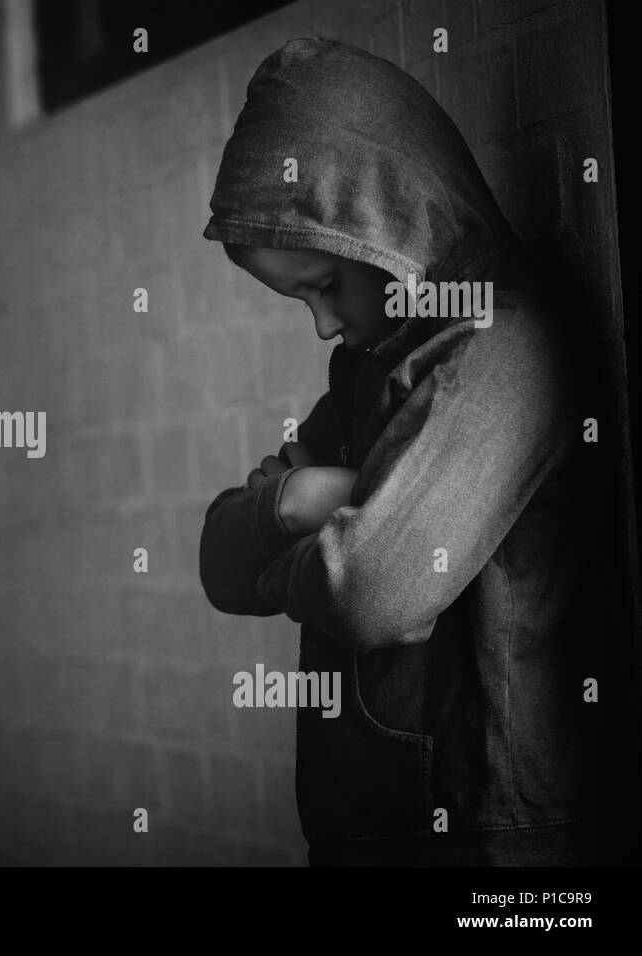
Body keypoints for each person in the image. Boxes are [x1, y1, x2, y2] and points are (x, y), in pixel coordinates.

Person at [198, 37, 605, 865]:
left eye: (323, 285)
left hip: (492, 837)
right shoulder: (366, 374)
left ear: (387, 220)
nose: (321, 325)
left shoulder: (503, 349)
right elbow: (217, 562)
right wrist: (305, 501)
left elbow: (371, 593)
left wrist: (313, 539)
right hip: (378, 834)